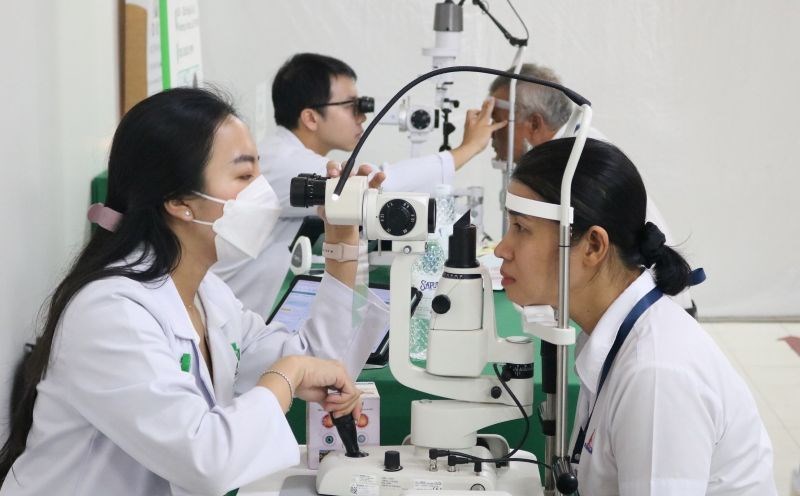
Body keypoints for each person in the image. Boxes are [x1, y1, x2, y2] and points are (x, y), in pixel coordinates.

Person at [0, 88, 389, 495]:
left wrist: (342, 239)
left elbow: (325, 367)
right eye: (243, 175)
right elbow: (206, 461)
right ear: (180, 201)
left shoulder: (207, 295)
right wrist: (288, 375)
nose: (264, 193)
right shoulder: (109, 312)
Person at [494, 137, 776, 495]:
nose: (502, 249)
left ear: (593, 246)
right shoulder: (610, 333)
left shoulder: (656, 376)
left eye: (521, 228)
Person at [212, 53, 506, 318]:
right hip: (230, 318)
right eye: (351, 106)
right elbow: (376, 194)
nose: (362, 115)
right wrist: (467, 149)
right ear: (311, 117)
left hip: (244, 310)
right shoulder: (284, 162)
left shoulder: (285, 153)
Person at [487, 63, 697, 316]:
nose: (490, 133)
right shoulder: (570, 150)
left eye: (498, 122)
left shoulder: (577, 162)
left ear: (533, 124)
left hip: (653, 308)